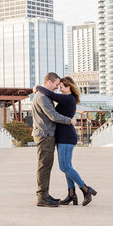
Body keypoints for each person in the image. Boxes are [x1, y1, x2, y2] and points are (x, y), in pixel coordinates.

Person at [34, 76, 97, 206]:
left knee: (65, 167)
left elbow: (51, 97)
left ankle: (85, 189)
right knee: (67, 167)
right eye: (58, 85)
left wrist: (38, 87)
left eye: (62, 86)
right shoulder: (67, 98)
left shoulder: (68, 98)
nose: (59, 88)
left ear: (69, 87)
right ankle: (71, 194)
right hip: (63, 136)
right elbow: (52, 97)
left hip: (66, 136)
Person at [32, 72, 77, 207]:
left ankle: (45, 194)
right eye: (57, 84)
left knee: (46, 165)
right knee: (44, 166)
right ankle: (42, 197)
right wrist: (70, 121)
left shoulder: (44, 95)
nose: (57, 88)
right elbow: (53, 116)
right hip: (44, 135)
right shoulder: (42, 97)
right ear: (50, 82)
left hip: (46, 134)